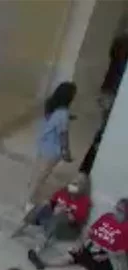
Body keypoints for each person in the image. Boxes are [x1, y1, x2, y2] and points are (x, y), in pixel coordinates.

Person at [25, 82, 77, 211]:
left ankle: (30, 189)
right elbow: (63, 135)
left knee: (38, 171)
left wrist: (66, 117)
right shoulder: (63, 114)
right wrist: (66, 152)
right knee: (42, 175)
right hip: (53, 149)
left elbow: (51, 118)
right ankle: (29, 200)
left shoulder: (51, 104)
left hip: (43, 143)